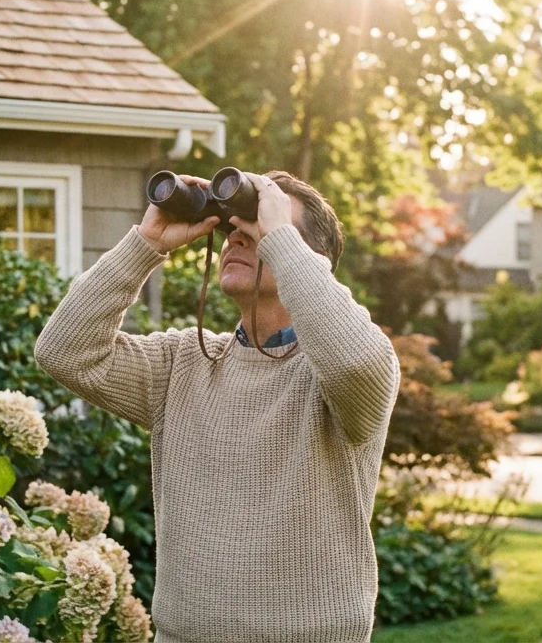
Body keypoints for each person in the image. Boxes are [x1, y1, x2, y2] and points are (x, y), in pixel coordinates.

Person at [34, 170, 399, 643]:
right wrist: (147, 242)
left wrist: (282, 241)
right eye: (233, 230)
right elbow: (63, 349)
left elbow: (357, 364)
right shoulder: (184, 361)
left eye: (260, 229)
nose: (237, 239)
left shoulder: (337, 372)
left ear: (314, 263)